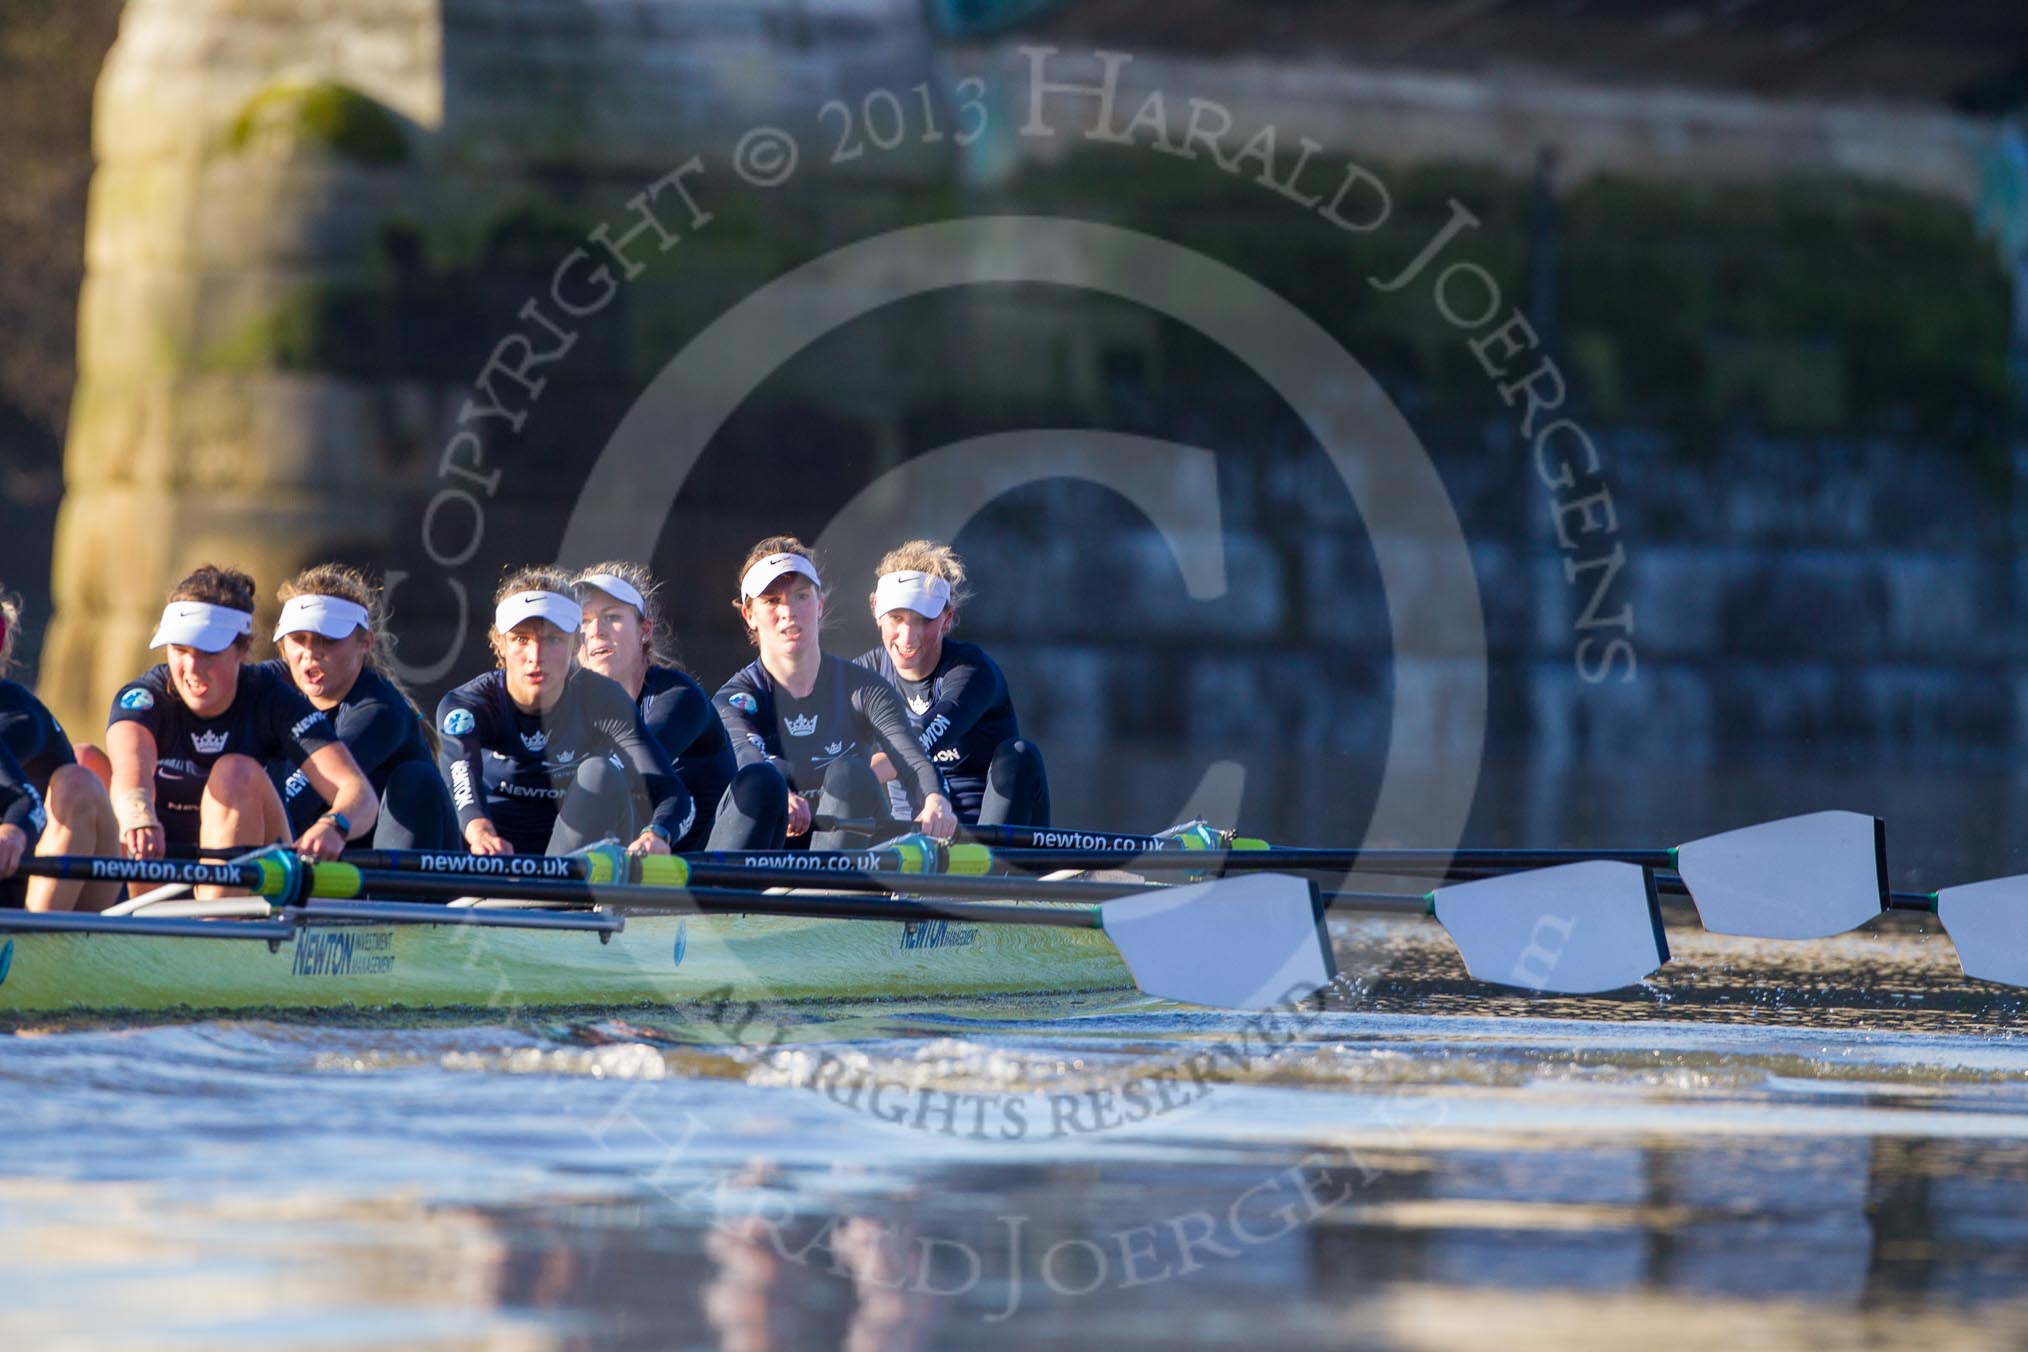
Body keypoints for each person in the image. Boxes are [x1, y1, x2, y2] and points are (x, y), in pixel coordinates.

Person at [106, 565, 378, 868]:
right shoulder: (145, 697)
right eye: (180, 649)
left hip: (250, 875)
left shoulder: (271, 699)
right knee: (85, 763)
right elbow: (131, 764)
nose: (192, 668)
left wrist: (334, 825)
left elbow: (358, 794)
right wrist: (138, 815)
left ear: (243, 648)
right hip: (155, 865)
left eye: (209, 652)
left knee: (234, 772)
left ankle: (217, 911)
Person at [712, 537, 957, 851]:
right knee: (761, 782)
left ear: (820, 605)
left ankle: (827, 893)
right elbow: (746, 757)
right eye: (772, 601)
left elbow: (913, 760)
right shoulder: (734, 700)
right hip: (766, 852)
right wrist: (782, 794)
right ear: (749, 615)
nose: (788, 612)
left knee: (850, 772)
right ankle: (729, 897)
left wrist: (936, 799)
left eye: (801, 596)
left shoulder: (864, 689)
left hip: (841, 859)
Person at [437, 567, 694, 858]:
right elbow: (462, 784)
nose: (536, 656)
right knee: (421, 780)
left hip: (569, 875)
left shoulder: (603, 699)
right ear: (500, 643)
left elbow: (672, 792)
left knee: (600, 773)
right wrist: (481, 835)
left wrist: (657, 833)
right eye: (521, 639)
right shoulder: (468, 705)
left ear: (576, 643)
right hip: (490, 864)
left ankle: (554, 893)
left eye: (552, 639)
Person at [262, 564, 459, 852]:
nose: (310, 653)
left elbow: (307, 789)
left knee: (416, 777)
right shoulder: (269, 682)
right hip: (327, 861)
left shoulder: (378, 709)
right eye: (298, 639)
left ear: (365, 643)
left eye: (328, 640)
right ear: (282, 644)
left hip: (404, 867)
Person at [856, 541, 1049, 828]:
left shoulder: (971, 671)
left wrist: (853, 778)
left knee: (1020, 754)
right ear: (876, 612)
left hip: (990, 834)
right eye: (896, 618)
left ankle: (993, 867)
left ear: (947, 618)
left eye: (923, 620)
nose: (908, 637)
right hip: (913, 835)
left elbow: (922, 737)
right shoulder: (865, 673)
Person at [572, 562, 735, 852]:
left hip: (698, 879)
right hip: (611, 875)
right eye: (583, 622)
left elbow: (629, 765)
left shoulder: (679, 696)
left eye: (612, 617)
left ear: (644, 631)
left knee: (763, 782)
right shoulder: (566, 709)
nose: (596, 630)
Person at [0, 592, 121, 910]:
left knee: (77, 780)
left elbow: (23, 801)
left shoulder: (17, 714)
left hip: (80, 890)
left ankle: (41, 945)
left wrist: (12, 831)